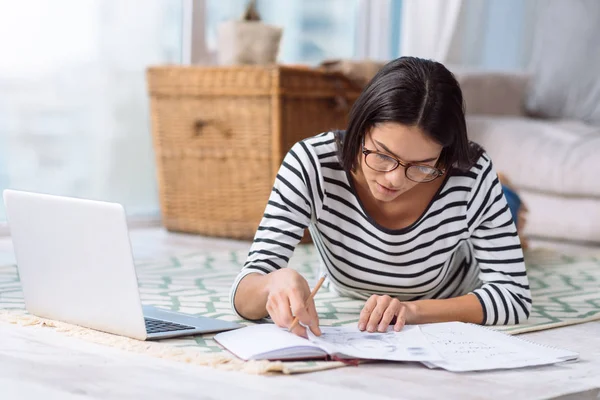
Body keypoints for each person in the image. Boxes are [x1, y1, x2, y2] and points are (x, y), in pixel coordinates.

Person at [229, 57, 531, 338]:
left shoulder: (470, 172)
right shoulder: (312, 163)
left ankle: (506, 195)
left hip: (457, 275)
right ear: (360, 128)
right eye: (383, 155)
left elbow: (514, 298)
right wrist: (271, 284)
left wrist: (412, 311)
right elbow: (244, 293)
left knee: (509, 211)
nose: (395, 179)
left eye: (422, 165)